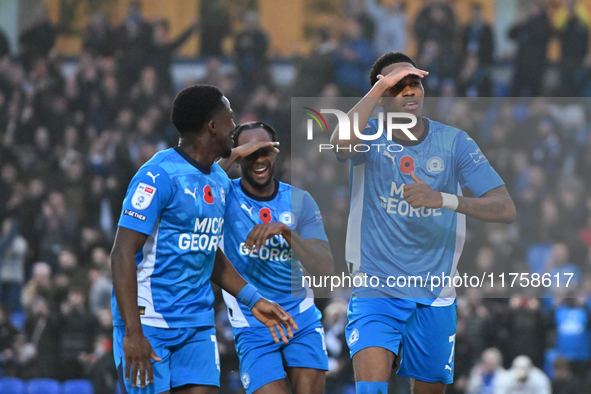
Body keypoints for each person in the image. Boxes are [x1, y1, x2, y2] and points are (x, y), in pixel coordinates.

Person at [330, 52, 516, 394]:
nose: (409, 91)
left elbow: (505, 208)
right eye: (397, 86)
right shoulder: (367, 135)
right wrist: (380, 86)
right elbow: (339, 144)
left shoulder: (455, 142)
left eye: (414, 83)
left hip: (435, 294)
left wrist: (443, 199)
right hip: (376, 288)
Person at [110, 85, 297, 394]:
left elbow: (207, 252)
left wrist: (254, 299)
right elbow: (121, 254)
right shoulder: (157, 176)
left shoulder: (219, 180)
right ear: (213, 127)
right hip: (149, 323)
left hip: (197, 323)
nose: (234, 127)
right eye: (230, 119)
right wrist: (133, 332)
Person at [217, 121, 334, 394]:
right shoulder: (224, 194)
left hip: (301, 319)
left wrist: (286, 232)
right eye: (250, 152)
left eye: (265, 150)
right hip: (251, 322)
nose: (259, 159)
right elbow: (196, 184)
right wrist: (233, 153)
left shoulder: (300, 200)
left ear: (276, 153)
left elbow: (325, 268)